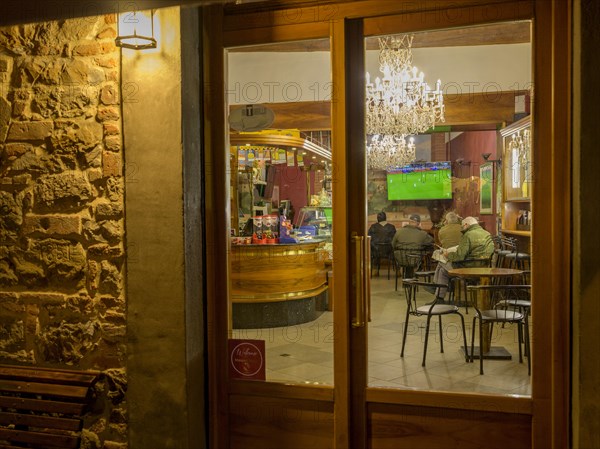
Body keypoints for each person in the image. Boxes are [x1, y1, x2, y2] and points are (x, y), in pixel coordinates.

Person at [431, 216, 495, 299]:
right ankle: (438, 295)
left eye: (462, 226)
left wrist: (447, 255)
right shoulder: (487, 233)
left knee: (441, 261)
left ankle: (436, 290)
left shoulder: (468, 235)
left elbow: (459, 257)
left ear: (466, 225)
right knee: (443, 270)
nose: (462, 228)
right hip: (483, 266)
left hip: (468, 267)